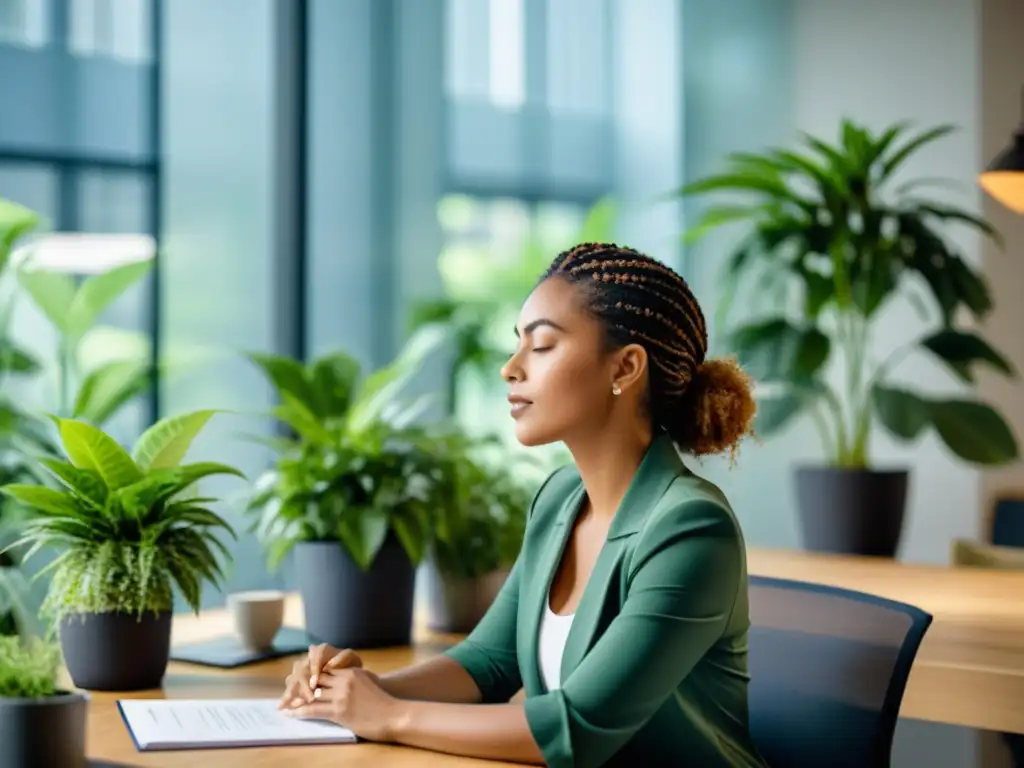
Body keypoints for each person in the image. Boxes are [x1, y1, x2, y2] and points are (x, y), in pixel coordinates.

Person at [278, 242, 768, 767]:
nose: (511, 368)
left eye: (543, 346)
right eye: (518, 345)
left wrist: (389, 716)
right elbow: (488, 662)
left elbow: (576, 729)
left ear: (625, 368)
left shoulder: (691, 529)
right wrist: (363, 690)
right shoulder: (558, 499)